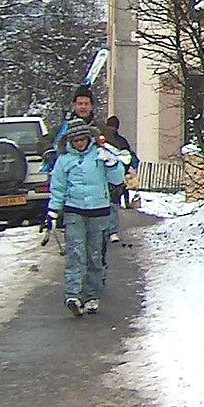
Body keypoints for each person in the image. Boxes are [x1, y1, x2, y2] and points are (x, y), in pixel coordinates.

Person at [47, 124, 126, 316]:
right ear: (70, 142)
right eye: (76, 141)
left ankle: (92, 295)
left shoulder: (100, 155)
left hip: (98, 210)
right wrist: (53, 211)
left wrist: (112, 164)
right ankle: (73, 295)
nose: (80, 143)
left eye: (83, 139)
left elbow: (117, 179)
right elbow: (58, 187)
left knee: (94, 254)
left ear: (88, 139)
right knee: (75, 252)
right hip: (74, 210)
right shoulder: (65, 161)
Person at [102, 115, 138, 209]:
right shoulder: (120, 140)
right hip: (110, 173)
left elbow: (127, 156)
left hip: (112, 173)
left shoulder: (108, 140)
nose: (112, 128)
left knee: (114, 198)